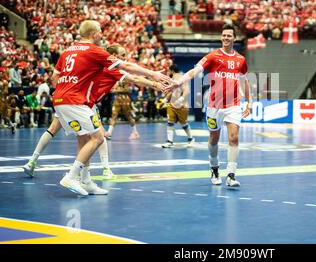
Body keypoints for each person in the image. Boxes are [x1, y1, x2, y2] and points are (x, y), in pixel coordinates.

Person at [51, 20, 173, 196]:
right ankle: (72, 176)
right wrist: (155, 76)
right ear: (93, 34)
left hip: (62, 99)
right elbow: (131, 72)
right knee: (98, 137)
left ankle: (86, 181)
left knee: (84, 140)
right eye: (100, 31)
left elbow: (55, 77)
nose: (102, 35)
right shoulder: (96, 52)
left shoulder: (68, 51)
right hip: (77, 101)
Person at [23, 44, 167, 180]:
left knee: (54, 130)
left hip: (67, 98)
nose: (125, 57)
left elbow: (56, 76)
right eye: (123, 55)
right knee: (98, 136)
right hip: (83, 102)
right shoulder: (111, 67)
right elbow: (134, 77)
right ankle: (98, 171)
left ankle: (32, 162)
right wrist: (155, 83)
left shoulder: (96, 63)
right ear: (114, 55)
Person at [167, 24, 252, 187]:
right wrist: (178, 83)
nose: (226, 38)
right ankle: (214, 169)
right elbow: (195, 71)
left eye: (229, 35)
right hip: (214, 106)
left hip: (233, 105)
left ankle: (231, 175)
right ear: (221, 37)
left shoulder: (240, 59)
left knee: (234, 138)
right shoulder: (212, 56)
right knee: (214, 139)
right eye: (224, 35)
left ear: (234, 38)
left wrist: (249, 101)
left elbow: (244, 80)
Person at [162, 65, 195, 148]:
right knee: (170, 122)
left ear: (172, 71)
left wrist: (180, 100)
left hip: (182, 105)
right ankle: (170, 141)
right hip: (172, 104)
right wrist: (165, 100)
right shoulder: (171, 79)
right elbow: (171, 91)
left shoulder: (183, 78)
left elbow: (187, 91)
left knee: (184, 124)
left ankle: (191, 139)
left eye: (169, 71)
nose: (168, 72)